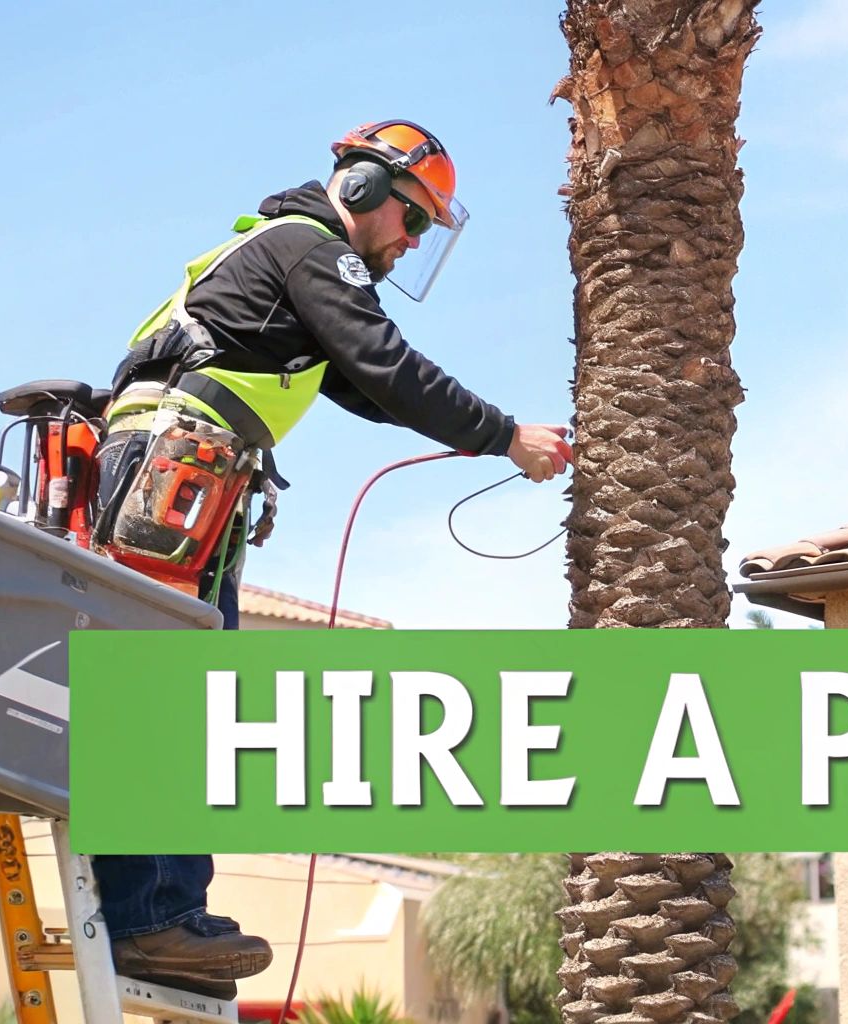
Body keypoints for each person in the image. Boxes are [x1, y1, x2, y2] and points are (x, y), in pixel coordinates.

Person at [89, 119, 572, 999]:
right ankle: (148, 915)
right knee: (162, 689)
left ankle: (165, 910)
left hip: (190, 477)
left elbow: (370, 387)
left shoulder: (301, 273)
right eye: (413, 220)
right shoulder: (310, 247)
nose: (411, 242)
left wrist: (484, 436)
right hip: (175, 470)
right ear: (361, 190)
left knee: (183, 689)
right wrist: (507, 437)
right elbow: (384, 365)